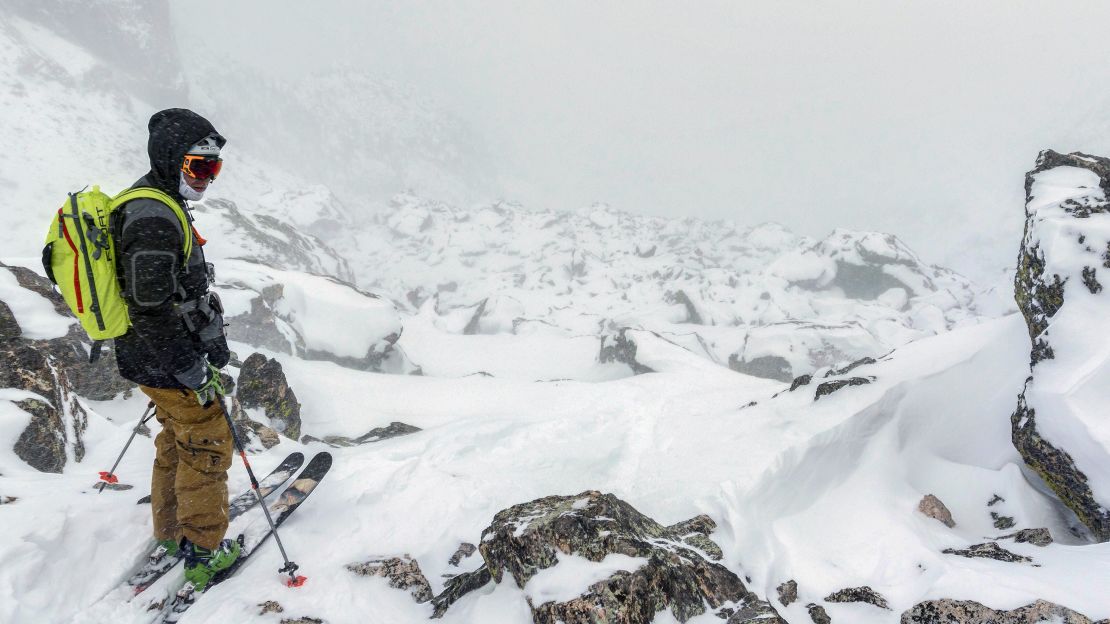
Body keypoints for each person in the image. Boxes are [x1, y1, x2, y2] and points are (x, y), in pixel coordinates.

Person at [112, 108, 238, 590]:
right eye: (196, 166)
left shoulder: (160, 202)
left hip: (152, 357)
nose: (206, 178)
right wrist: (190, 368)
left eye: (213, 168)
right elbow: (150, 309)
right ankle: (205, 550)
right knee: (208, 440)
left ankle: (171, 532)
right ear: (169, 159)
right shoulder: (152, 218)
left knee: (178, 436)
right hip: (163, 357)